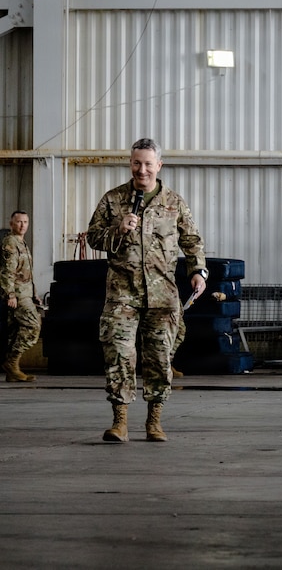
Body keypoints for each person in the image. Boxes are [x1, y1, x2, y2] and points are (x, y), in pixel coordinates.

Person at [87, 138, 207, 442]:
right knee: (119, 355)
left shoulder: (174, 202)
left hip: (162, 295)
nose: (142, 169)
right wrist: (118, 228)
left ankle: (154, 421)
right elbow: (93, 238)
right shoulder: (113, 200)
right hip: (122, 294)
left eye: (148, 163)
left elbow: (192, 241)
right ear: (130, 163)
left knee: (159, 357)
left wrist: (197, 272)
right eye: (137, 163)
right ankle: (120, 422)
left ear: (159, 165)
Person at [2, 211, 42, 382]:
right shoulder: (10, 243)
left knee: (15, 330)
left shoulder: (22, 243)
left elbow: (25, 273)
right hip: (17, 295)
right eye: (19, 222)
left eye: (25, 222)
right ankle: (11, 363)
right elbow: (7, 272)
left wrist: (34, 295)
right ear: (11, 224)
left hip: (25, 294)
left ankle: (12, 372)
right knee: (33, 326)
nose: (22, 225)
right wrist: (10, 294)